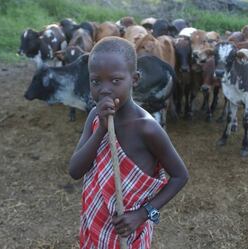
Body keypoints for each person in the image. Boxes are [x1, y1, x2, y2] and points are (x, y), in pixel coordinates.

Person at [68, 36, 189, 249]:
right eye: (96, 81)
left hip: (129, 234)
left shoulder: (147, 128)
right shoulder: (95, 117)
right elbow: (75, 170)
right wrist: (102, 131)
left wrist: (144, 214)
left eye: (115, 80)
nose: (105, 89)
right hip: (94, 224)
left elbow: (180, 176)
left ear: (134, 79)